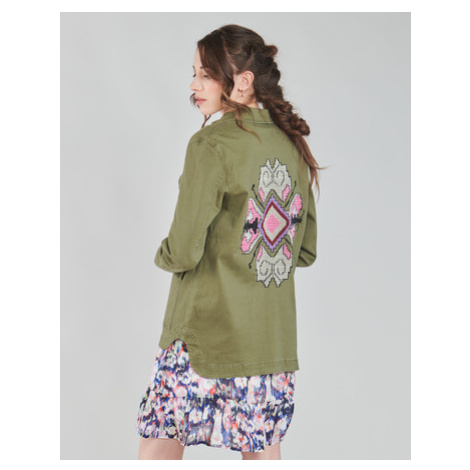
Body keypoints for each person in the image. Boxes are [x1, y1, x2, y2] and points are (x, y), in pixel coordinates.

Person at [136, 24, 324, 460]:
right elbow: (305, 250)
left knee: (159, 443)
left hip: (202, 338)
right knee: (263, 454)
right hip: (270, 343)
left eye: (206, 74)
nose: (194, 85)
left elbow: (183, 250)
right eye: (194, 74)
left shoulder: (211, 144)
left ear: (243, 80)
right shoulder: (291, 143)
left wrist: (162, 254)